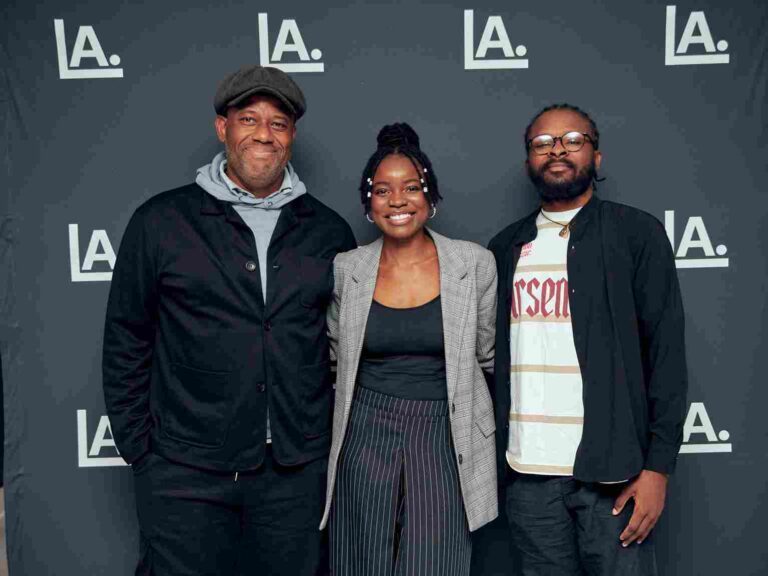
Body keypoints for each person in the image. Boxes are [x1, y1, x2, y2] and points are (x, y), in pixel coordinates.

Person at [102, 65, 356, 576]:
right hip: (184, 472)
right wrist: (142, 452)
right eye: (249, 119)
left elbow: (342, 347)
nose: (264, 134)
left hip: (293, 474)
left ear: (292, 136)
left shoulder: (328, 230)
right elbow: (127, 337)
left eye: (278, 123)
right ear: (223, 128)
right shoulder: (161, 221)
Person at [488, 103, 688, 575]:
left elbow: (666, 356)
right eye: (542, 143)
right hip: (528, 475)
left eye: (573, 140)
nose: (557, 150)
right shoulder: (504, 247)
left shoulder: (636, 234)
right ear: (529, 161)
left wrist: (657, 469)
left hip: (615, 474)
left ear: (596, 157)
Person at [319, 123, 498, 576]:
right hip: (364, 430)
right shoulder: (346, 269)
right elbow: (335, 360)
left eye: (411, 187)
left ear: (430, 195)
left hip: (446, 432)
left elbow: (488, 357)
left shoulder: (474, 264)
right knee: (359, 560)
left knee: (436, 562)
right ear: (368, 203)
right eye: (382, 190)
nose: (397, 200)